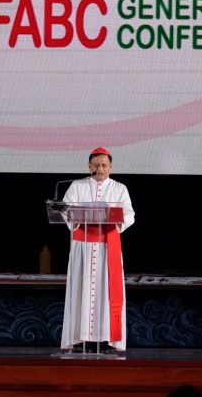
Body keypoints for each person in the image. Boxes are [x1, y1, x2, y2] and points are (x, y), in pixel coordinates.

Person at [60, 147, 135, 354]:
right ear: (89, 166)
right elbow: (65, 210)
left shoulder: (119, 188)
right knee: (80, 290)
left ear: (111, 167)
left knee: (106, 292)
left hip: (107, 246)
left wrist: (116, 219)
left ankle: (107, 340)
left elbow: (130, 215)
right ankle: (78, 339)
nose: (100, 169)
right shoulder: (77, 186)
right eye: (96, 165)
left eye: (104, 165)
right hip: (82, 248)